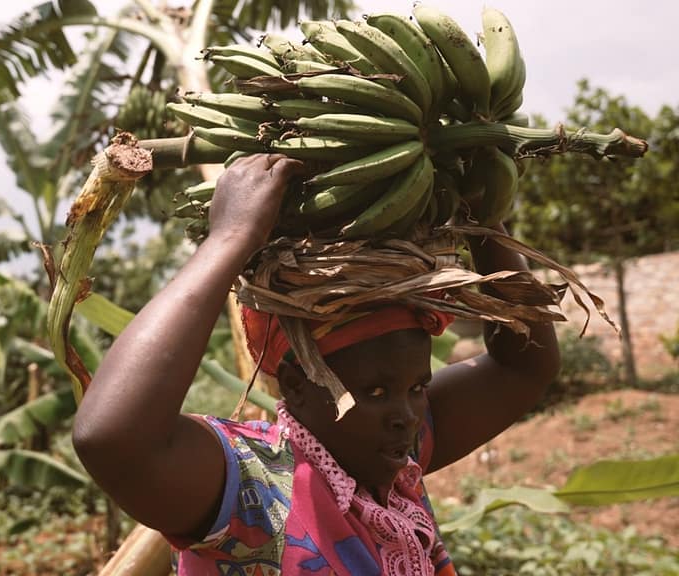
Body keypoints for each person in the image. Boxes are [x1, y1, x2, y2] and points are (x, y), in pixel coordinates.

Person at [72, 154, 560, 575]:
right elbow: (112, 438)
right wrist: (230, 239)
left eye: (417, 388)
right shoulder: (252, 485)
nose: (407, 413)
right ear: (296, 384)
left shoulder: (398, 457)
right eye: (373, 393)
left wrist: (486, 221)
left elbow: (523, 367)